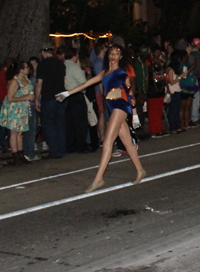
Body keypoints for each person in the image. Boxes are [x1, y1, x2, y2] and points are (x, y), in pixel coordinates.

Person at [56, 44, 145, 193]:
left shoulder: (122, 73)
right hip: (111, 107)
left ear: (121, 56)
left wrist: (135, 115)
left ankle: (98, 179)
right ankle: (140, 170)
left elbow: (130, 94)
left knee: (108, 142)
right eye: (111, 53)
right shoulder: (104, 73)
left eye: (117, 53)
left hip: (121, 106)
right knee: (127, 142)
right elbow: (86, 83)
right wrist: (67, 93)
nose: (113, 56)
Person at [0, 60, 33, 165]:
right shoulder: (15, 81)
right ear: (21, 69)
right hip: (14, 108)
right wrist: (25, 97)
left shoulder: (26, 79)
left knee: (20, 132)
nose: (28, 69)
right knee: (14, 132)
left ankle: (21, 154)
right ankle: (15, 155)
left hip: (23, 108)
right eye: (26, 67)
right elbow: (9, 98)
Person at [36, 47, 67, 159]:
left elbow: (39, 83)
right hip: (61, 96)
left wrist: (36, 98)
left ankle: (54, 150)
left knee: (49, 124)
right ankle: (62, 149)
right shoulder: (60, 64)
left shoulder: (42, 64)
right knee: (60, 123)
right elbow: (63, 80)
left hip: (49, 97)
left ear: (43, 52)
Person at [62, 47, 90, 153]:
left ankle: (70, 145)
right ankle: (81, 145)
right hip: (76, 94)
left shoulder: (62, 65)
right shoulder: (74, 67)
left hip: (66, 95)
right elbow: (83, 83)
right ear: (75, 56)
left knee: (69, 122)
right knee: (80, 122)